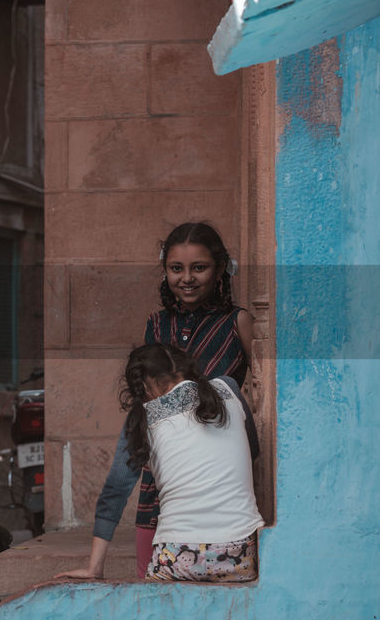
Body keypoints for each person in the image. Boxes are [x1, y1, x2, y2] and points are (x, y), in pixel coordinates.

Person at [58, 222, 255, 579]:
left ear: (221, 268)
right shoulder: (157, 323)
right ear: (165, 271)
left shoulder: (237, 322)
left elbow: (257, 392)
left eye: (199, 267)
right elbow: (149, 402)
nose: (187, 278)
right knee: (154, 581)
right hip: (160, 474)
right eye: (176, 269)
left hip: (218, 477)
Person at [60, 343, 263, 582]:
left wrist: (94, 568)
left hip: (177, 557)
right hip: (241, 555)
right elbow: (253, 450)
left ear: (146, 384)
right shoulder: (228, 388)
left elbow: (115, 491)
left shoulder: (143, 417)